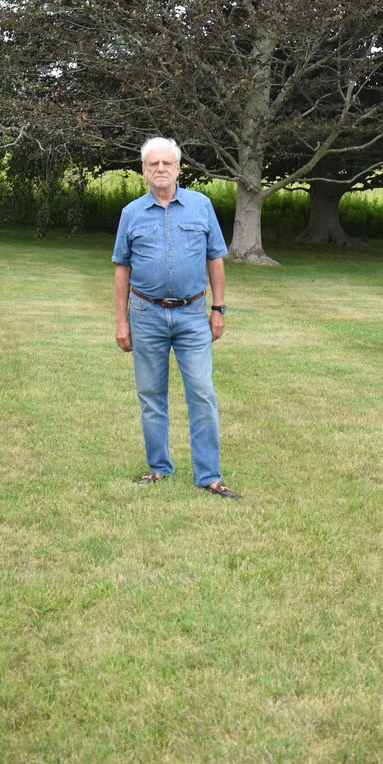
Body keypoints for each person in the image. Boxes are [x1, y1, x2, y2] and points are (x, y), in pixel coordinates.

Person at [113, 136, 242, 498]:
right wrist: (121, 321)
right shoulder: (131, 214)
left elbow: (215, 257)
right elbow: (121, 268)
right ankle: (159, 468)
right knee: (151, 395)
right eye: (153, 164)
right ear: (143, 170)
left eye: (167, 163)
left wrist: (218, 309)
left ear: (178, 169)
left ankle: (209, 476)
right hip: (145, 314)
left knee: (201, 393)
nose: (160, 169)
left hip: (192, 316)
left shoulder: (201, 207)